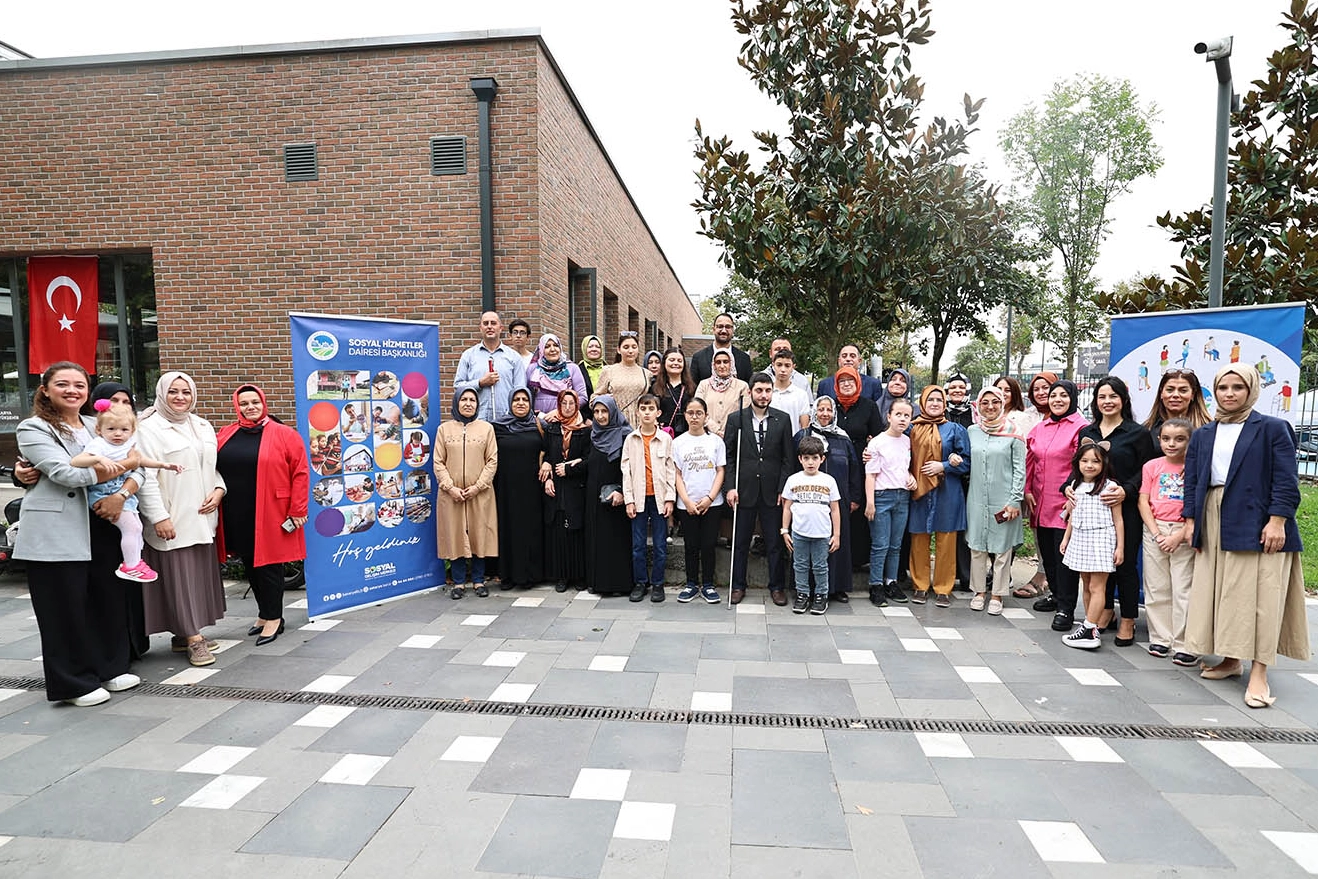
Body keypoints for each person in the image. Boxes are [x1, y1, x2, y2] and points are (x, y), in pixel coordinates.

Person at [15, 362, 143, 705]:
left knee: (107, 601)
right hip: (56, 530)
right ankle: (74, 683)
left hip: (104, 524)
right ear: (45, 388)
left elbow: (139, 466)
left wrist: (122, 493)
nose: (72, 390)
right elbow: (63, 474)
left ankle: (110, 668)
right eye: (63, 384)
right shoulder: (33, 428)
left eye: (80, 385)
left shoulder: (95, 424)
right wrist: (123, 468)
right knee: (64, 608)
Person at [1184, 365, 1309, 708]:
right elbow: (1193, 479)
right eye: (1222, 387)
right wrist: (1192, 519)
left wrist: (1278, 521)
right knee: (1223, 594)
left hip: (1257, 520)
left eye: (1237, 386)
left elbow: (1286, 480)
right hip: (1214, 517)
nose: (1229, 393)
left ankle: (1259, 673)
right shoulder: (1204, 433)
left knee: (1260, 600)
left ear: (1251, 389)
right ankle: (1230, 659)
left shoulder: (1272, 428)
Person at [137, 371, 229, 667]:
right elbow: (145, 476)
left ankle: (183, 634)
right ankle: (193, 639)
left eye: (186, 392)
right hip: (173, 517)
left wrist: (219, 489)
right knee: (179, 579)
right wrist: (159, 517)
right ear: (162, 394)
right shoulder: (148, 428)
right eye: (173, 392)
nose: (180, 397)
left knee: (195, 578)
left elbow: (210, 466)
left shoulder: (202, 425)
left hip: (202, 515)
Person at [215, 384, 309, 646]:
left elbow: (300, 473)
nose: (250, 407)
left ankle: (274, 618)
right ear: (237, 406)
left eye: (254, 402)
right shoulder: (226, 433)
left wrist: (298, 509)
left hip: (272, 510)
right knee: (249, 562)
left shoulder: (284, 434)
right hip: (237, 509)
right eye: (244, 403)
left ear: (263, 403)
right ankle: (263, 613)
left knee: (269, 565)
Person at [1077, 376, 1155, 647]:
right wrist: (1067, 488)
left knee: (1124, 564)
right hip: (1092, 513)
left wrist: (1127, 490)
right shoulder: (1088, 432)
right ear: (1095, 401)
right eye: (1102, 397)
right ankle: (1104, 612)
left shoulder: (1138, 433)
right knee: (1099, 566)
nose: (1107, 402)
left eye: (1113, 396)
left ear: (1123, 399)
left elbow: (1146, 472)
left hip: (1126, 510)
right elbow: (1077, 468)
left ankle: (1128, 619)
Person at [69, 400, 184, 583]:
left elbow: (140, 461)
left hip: (125, 494)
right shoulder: (99, 445)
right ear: (99, 430)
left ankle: (135, 562)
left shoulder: (128, 444)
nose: (117, 434)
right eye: (111, 429)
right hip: (105, 493)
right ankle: (131, 565)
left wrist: (163, 465)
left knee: (136, 528)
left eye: (124, 430)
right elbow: (76, 461)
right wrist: (97, 458)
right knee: (133, 528)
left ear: (132, 431)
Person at [87, 381, 149, 659]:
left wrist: (122, 495)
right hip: (96, 520)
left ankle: (134, 646)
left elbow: (141, 473)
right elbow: (80, 472)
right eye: (114, 401)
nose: (120, 407)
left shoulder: (128, 433)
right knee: (105, 589)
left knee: (129, 584)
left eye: (126, 401)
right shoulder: (94, 435)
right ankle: (111, 654)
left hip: (125, 510)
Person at [723, 372, 795, 605]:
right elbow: (729, 457)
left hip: (772, 491)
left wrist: (783, 488)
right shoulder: (736, 420)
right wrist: (730, 487)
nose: (764, 395)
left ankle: (776, 587)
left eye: (768, 390)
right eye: (759, 390)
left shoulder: (782, 419)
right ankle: (738, 585)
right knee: (741, 541)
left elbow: (788, 458)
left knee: (774, 542)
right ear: (750, 392)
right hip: (744, 490)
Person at [1025, 380, 1087, 632]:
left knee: (1064, 557)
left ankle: (1067, 607)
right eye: (1053, 396)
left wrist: (1073, 492)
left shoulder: (1082, 428)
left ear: (1073, 398)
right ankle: (1055, 594)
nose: (1057, 400)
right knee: (1047, 554)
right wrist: (1027, 490)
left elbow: (1082, 465)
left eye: (1063, 395)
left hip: (1065, 503)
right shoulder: (1040, 428)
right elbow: (1030, 460)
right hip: (1040, 500)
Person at [794, 395, 863, 603]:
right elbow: (791, 466)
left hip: (837, 500)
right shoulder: (802, 436)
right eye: (821, 409)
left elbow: (853, 469)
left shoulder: (843, 438)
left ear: (834, 413)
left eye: (829, 410)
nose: (825, 414)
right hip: (807, 499)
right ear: (815, 411)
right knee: (807, 546)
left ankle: (837, 587)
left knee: (836, 543)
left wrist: (855, 497)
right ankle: (806, 589)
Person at [1139, 418, 1196, 665]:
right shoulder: (1152, 466)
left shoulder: (1195, 467)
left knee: (1183, 588)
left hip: (1184, 532)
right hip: (1155, 529)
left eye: (1179, 439)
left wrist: (1179, 535)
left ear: (1190, 441)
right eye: (1166, 438)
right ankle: (1161, 638)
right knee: (1156, 586)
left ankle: (1184, 643)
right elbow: (1143, 501)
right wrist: (1156, 533)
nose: (1171, 444)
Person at [907, 385, 970, 607]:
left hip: (947, 491)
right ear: (923, 402)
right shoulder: (911, 428)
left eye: (939, 400)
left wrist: (943, 466)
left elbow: (966, 462)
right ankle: (920, 585)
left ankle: (944, 587)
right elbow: (898, 453)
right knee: (919, 538)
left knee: (946, 540)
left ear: (945, 404)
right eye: (930, 399)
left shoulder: (954, 429)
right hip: (919, 490)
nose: (935, 403)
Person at [964, 388, 1025, 615]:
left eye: (995, 402)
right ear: (978, 405)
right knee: (977, 546)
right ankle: (979, 592)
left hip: (1004, 499)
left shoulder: (1014, 433)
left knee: (1002, 549)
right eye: (985, 402)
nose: (990, 407)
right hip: (977, 498)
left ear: (1002, 404)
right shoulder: (972, 431)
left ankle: (997, 595)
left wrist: (1014, 500)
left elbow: (1020, 469)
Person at [1059, 441, 1124, 649]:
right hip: (1080, 537)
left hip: (1100, 539)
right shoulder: (1075, 487)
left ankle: (1089, 628)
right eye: (1085, 461)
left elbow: (1118, 520)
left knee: (1097, 586)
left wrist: (1120, 546)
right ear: (1077, 463)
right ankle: (1090, 625)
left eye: (1095, 461)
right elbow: (1072, 515)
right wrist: (1066, 539)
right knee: (1085, 584)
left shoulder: (1110, 487)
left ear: (1103, 463)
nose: (1089, 465)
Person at [435, 388, 498, 599]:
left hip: (480, 493)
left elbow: (492, 460)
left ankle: (479, 580)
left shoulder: (486, 429)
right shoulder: (444, 429)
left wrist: (478, 486)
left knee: (479, 534)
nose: (468, 403)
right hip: (451, 495)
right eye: (464, 399)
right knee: (454, 534)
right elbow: (438, 462)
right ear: (457, 402)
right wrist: (450, 487)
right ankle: (459, 582)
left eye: (472, 400)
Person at [621, 394, 676, 602]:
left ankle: (658, 583)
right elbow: (626, 471)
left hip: (660, 498)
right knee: (638, 545)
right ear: (637, 412)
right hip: (638, 497)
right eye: (643, 408)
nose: (646, 412)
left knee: (661, 544)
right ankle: (640, 583)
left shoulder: (665, 439)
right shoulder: (631, 439)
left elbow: (671, 470)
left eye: (651, 408)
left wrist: (670, 498)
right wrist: (629, 500)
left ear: (658, 413)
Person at [672, 396, 725, 603]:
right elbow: (676, 473)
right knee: (691, 545)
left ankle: (709, 584)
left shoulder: (715, 441)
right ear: (685, 415)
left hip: (713, 503)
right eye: (690, 413)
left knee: (709, 544)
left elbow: (721, 471)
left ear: (706, 416)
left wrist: (710, 498)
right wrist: (686, 501)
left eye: (699, 413)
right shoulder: (678, 442)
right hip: (687, 504)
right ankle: (691, 583)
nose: (694, 417)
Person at [782, 435, 842, 615]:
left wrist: (836, 534)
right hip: (799, 532)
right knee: (799, 565)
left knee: (820, 566)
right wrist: (785, 530)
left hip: (822, 533)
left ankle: (821, 595)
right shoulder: (793, 480)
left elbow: (835, 510)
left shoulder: (828, 481)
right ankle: (802, 594)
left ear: (822, 459)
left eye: (815, 458)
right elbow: (787, 507)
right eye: (806, 458)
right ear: (800, 459)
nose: (810, 462)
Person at [864, 398, 915, 606]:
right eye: (898, 414)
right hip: (882, 497)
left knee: (896, 545)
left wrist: (910, 476)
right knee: (880, 544)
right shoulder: (877, 442)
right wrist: (870, 502)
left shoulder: (907, 441)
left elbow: (903, 466)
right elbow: (871, 475)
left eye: (907, 416)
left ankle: (891, 581)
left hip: (902, 497)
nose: (902, 419)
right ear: (889, 416)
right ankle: (875, 584)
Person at [492, 388, 544, 589]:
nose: (521, 403)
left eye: (525, 399)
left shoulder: (538, 426)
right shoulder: (498, 428)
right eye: (516, 400)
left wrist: (547, 462)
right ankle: (508, 575)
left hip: (532, 489)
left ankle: (531, 575)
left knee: (531, 530)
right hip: (506, 489)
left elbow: (548, 449)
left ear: (531, 403)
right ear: (510, 403)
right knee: (509, 530)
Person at [541, 389, 591, 593]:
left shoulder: (585, 429)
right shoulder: (553, 428)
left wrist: (570, 469)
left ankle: (578, 575)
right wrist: (547, 475)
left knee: (575, 532)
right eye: (564, 403)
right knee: (558, 533)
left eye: (572, 403)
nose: (568, 407)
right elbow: (546, 456)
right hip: (556, 487)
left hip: (576, 487)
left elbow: (588, 461)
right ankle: (561, 575)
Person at [584, 396, 634, 597]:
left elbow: (631, 467)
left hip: (616, 497)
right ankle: (598, 582)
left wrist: (622, 491)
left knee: (615, 540)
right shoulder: (593, 435)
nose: (600, 416)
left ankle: (619, 583)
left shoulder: (626, 436)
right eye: (596, 412)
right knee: (597, 539)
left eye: (604, 411)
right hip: (594, 497)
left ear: (613, 412)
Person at [453, 310, 528, 422]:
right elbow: (458, 387)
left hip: (506, 422)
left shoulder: (513, 357)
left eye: (493, 323)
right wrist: (480, 383)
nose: (489, 327)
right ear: (480, 328)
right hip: (477, 421)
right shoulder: (468, 355)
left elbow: (520, 390)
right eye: (485, 323)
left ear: (500, 328)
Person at [1142, 369, 1210, 454]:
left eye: (1183, 390)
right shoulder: (1146, 430)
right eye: (1170, 390)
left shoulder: (1208, 430)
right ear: (1161, 393)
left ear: (1192, 395)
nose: (1176, 395)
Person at [594, 332, 650, 426]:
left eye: (634, 347)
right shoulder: (608, 371)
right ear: (618, 350)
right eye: (626, 347)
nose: (630, 351)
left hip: (641, 423)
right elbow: (594, 399)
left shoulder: (647, 374)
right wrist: (606, 400)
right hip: (615, 423)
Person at [527, 332, 587, 417]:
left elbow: (582, 397)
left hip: (566, 421)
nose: (552, 349)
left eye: (555, 345)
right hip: (538, 420)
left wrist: (560, 412)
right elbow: (526, 396)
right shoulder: (533, 369)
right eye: (547, 346)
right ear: (541, 350)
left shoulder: (572, 368)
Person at [695, 349, 750, 438]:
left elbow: (745, 413)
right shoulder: (703, 385)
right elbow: (698, 409)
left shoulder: (742, 386)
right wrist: (716, 430)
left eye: (726, 362)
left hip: (733, 437)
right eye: (718, 362)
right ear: (714, 365)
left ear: (731, 364)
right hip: (707, 435)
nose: (722, 366)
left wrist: (728, 433)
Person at [690, 312, 753, 384]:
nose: (723, 330)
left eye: (728, 327)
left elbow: (749, 389)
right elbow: (692, 388)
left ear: (732, 330)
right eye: (720, 326)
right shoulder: (699, 358)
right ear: (713, 329)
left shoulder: (744, 359)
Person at [653, 347, 696, 437]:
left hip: (687, 434)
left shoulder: (691, 388)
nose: (676, 363)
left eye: (679, 361)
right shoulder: (655, 387)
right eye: (672, 360)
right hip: (663, 434)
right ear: (664, 363)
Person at [816, 344, 882, 403]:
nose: (848, 359)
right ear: (839, 361)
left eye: (852, 356)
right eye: (844, 356)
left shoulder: (873, 384)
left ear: (859, 361)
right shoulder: (825, 385)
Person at [769, 348, 813, 431]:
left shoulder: (801, 395)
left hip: (793, 441)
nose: (783, 370)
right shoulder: (766, 393)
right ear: (773, 365)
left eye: (787, 366)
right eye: (779, 365)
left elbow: (804, 427)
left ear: (793, 367)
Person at [875, 368, 918, 432]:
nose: (897, 383)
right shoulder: (875, 406)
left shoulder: (915, 411)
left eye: (903, 381)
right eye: (893, 379)